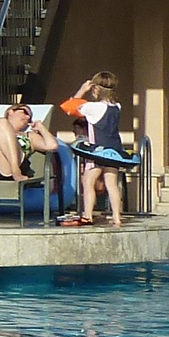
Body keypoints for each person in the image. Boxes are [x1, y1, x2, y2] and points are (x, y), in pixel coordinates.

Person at [62, 72, 135, 228]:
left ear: (96, 89)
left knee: (88, 181)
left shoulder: (93, 107)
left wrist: (82, 89)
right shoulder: (117, 106)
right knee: (112, 184)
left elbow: (68, 107)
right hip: (114, 151)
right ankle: (117, 217)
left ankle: (87, 215)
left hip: (97, 151)